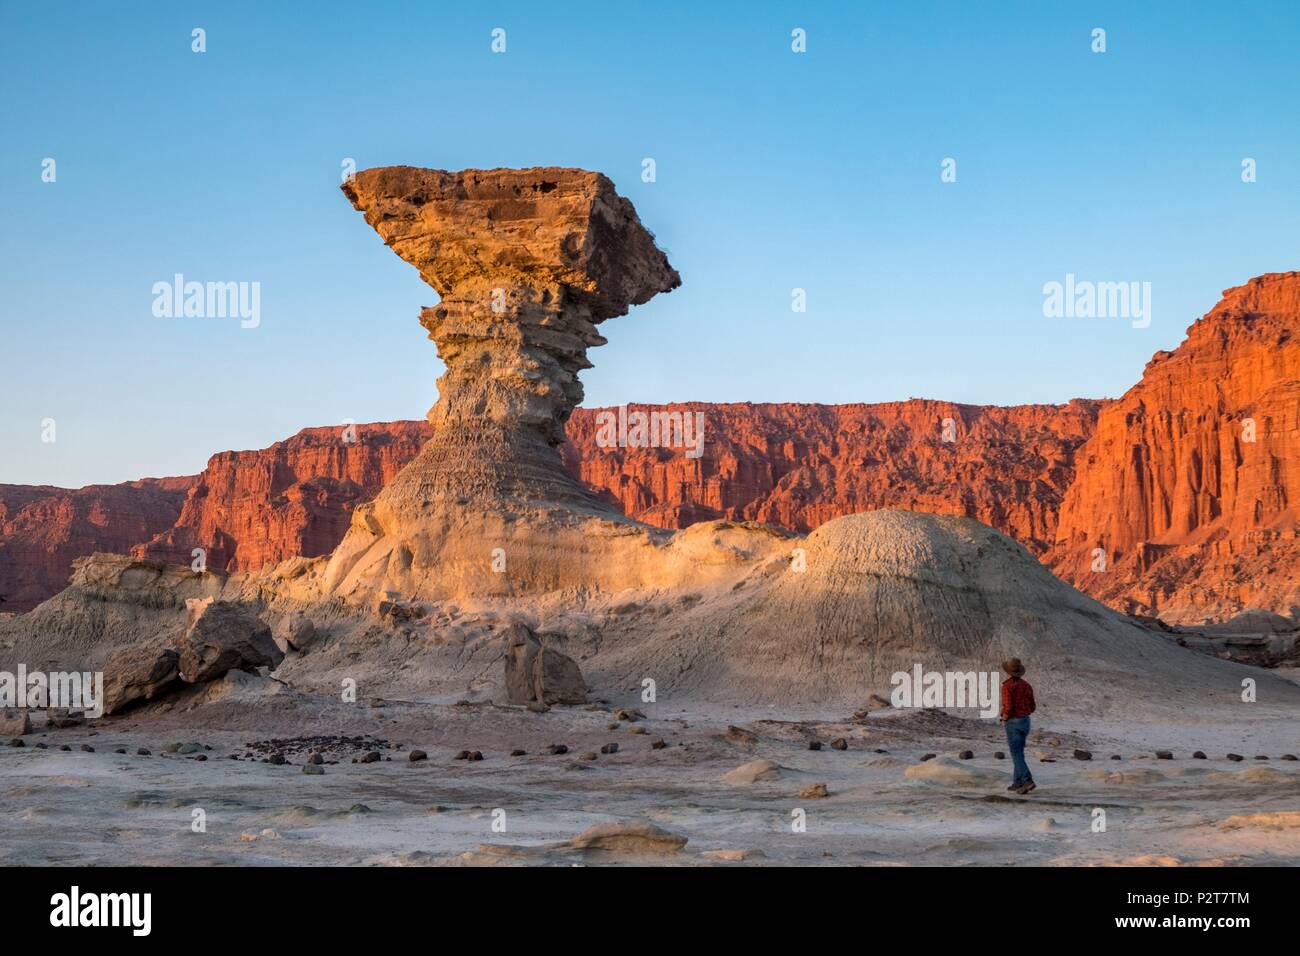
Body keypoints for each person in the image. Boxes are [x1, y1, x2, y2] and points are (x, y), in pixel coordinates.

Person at [1000, 658, 1036, 794]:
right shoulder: (1027, 685)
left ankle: (1027, 780)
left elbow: (1008, 706)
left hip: (1013, 721)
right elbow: (1033, 706)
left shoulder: (1007, 686)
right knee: (1019, 753)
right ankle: (1017, 782)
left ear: (1008, 672)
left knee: (1016, 753)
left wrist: (1004, 717)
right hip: (1025, 721)